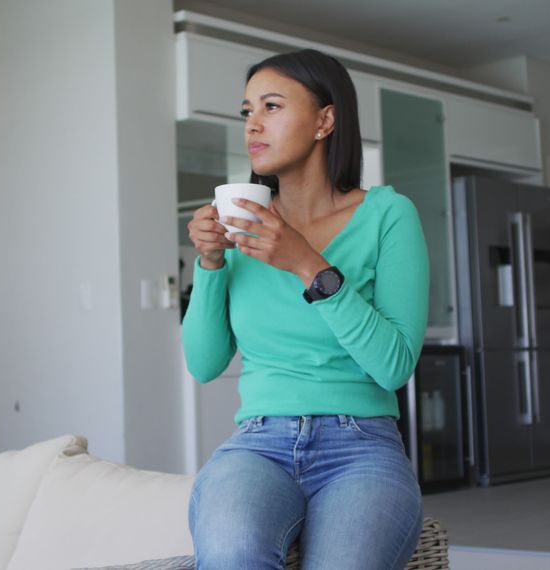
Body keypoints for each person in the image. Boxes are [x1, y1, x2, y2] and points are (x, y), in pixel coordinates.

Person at [182, 48, 430, 570]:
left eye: (271, 106)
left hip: (361, 444)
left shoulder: (388, 214)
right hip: (258, 443)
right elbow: (204, 364)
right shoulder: (242, 222)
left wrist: (306, 263)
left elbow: (394, 365)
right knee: (231, 556)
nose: (253, 124)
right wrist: (207, 263)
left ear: (325, 119)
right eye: (247, 111)